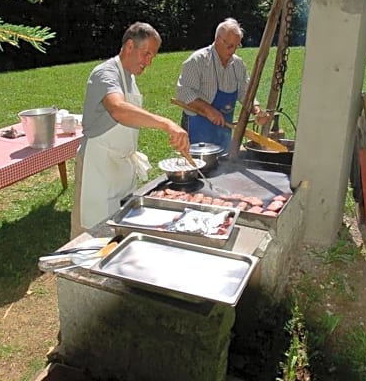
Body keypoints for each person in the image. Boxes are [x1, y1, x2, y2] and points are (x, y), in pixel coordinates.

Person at [71, 22, 190, 237]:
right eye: (146, 54)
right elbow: (118, 109)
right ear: (129, 47)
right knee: (89, 234)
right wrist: (166, 123)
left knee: (118, 229)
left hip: (119, 166)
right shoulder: (105, 73)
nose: (149, 62)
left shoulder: (130, 77)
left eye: (152, 57)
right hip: (98, 166)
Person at [175, 18, 270, 150]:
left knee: (223, 166)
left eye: (237, 46)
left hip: (224, 129)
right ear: (218, 40)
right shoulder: (197, 61)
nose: (233, 51)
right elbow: (183, 92)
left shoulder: (238, 64)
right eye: (230, 46)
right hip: (197, 127)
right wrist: (208, 110)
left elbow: (245, 92)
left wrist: (257, 110)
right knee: (199, 168)